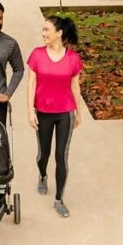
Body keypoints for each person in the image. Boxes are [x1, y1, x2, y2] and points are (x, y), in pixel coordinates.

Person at [26, 16, 83, 218]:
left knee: (62, 156)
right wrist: (30, 110)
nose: (43, 33)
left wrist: (79, 111)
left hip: (65, 112)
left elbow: (75, 86)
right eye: (42, 30)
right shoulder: (37, 55)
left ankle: (59, 199)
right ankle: (42, 174)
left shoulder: (73, 59)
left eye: (47, 30)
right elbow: (31, 84)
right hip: (43, 112)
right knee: (44, 154)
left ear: (59, 33)